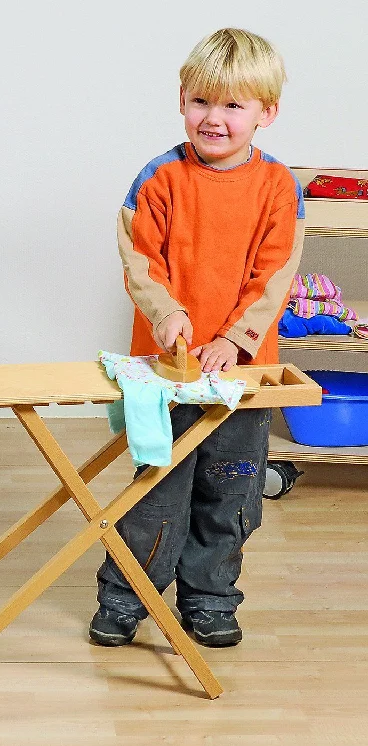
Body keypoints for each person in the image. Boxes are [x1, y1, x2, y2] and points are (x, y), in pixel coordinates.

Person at [90, 28, 304, 648]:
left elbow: (276, 272)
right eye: (201, 101)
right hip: (166, 370)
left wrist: (236, 338)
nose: (214, 119)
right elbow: (140, 261)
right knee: (158, 488)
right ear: (181, 98)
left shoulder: (277, 187)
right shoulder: (157, 179)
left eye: (234, 105)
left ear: (267, 113)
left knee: (231, 491)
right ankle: (126, 596)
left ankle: (210, 599)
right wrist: (164, 314)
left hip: (244, 374)